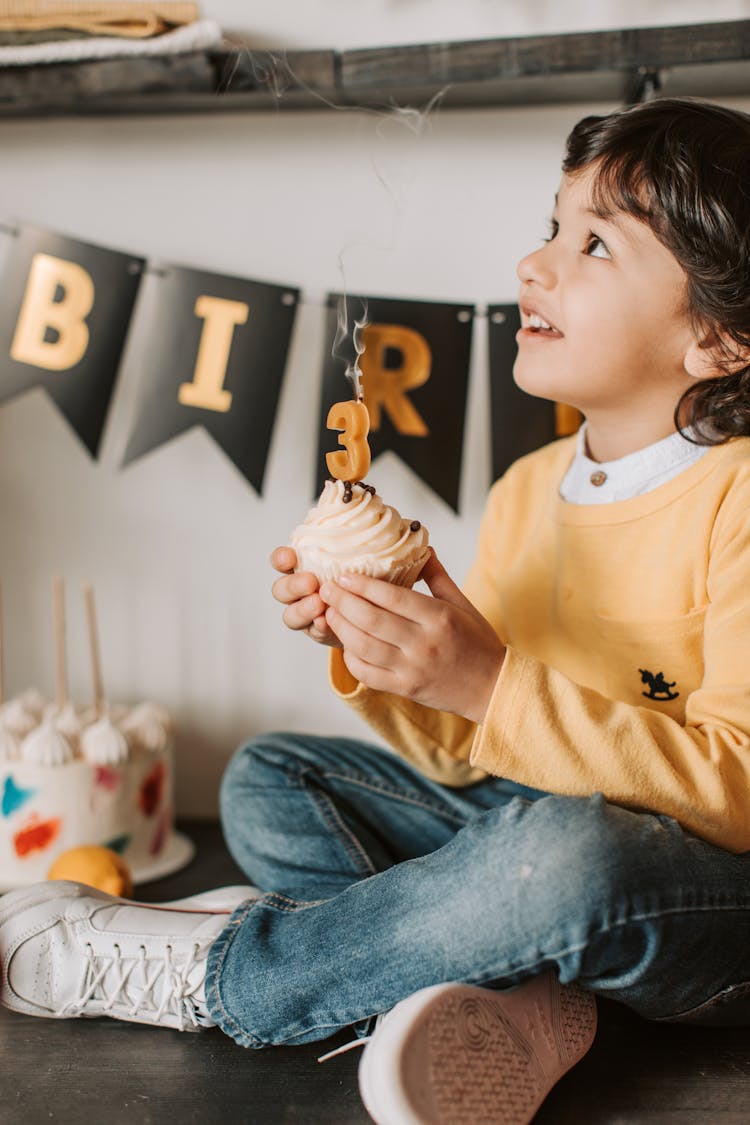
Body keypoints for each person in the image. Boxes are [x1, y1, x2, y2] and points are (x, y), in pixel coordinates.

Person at [3, 96, 750, 1125]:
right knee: (272, 777)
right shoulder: (532, 488)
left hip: (692, 895)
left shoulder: (738, 495)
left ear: (716, 337)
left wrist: (489, 683)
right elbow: (466, 759)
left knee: (565, 853)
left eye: (593, 245)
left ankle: (229, 979)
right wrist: (388, 654)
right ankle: (504, 990)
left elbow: (739, 789)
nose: (536, 265)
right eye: (550, 227)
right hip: (528, 840)